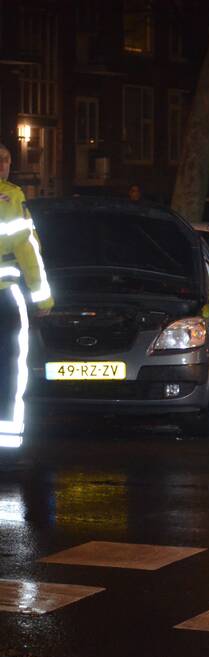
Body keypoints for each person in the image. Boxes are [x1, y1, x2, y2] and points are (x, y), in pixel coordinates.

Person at [0, 143, 53, 450]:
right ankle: (6, 442)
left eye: (6, 160)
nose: (3, 165)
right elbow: (28, 251)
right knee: (10, 366)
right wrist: (42, 299)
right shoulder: (11, 198)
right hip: (5, 296)